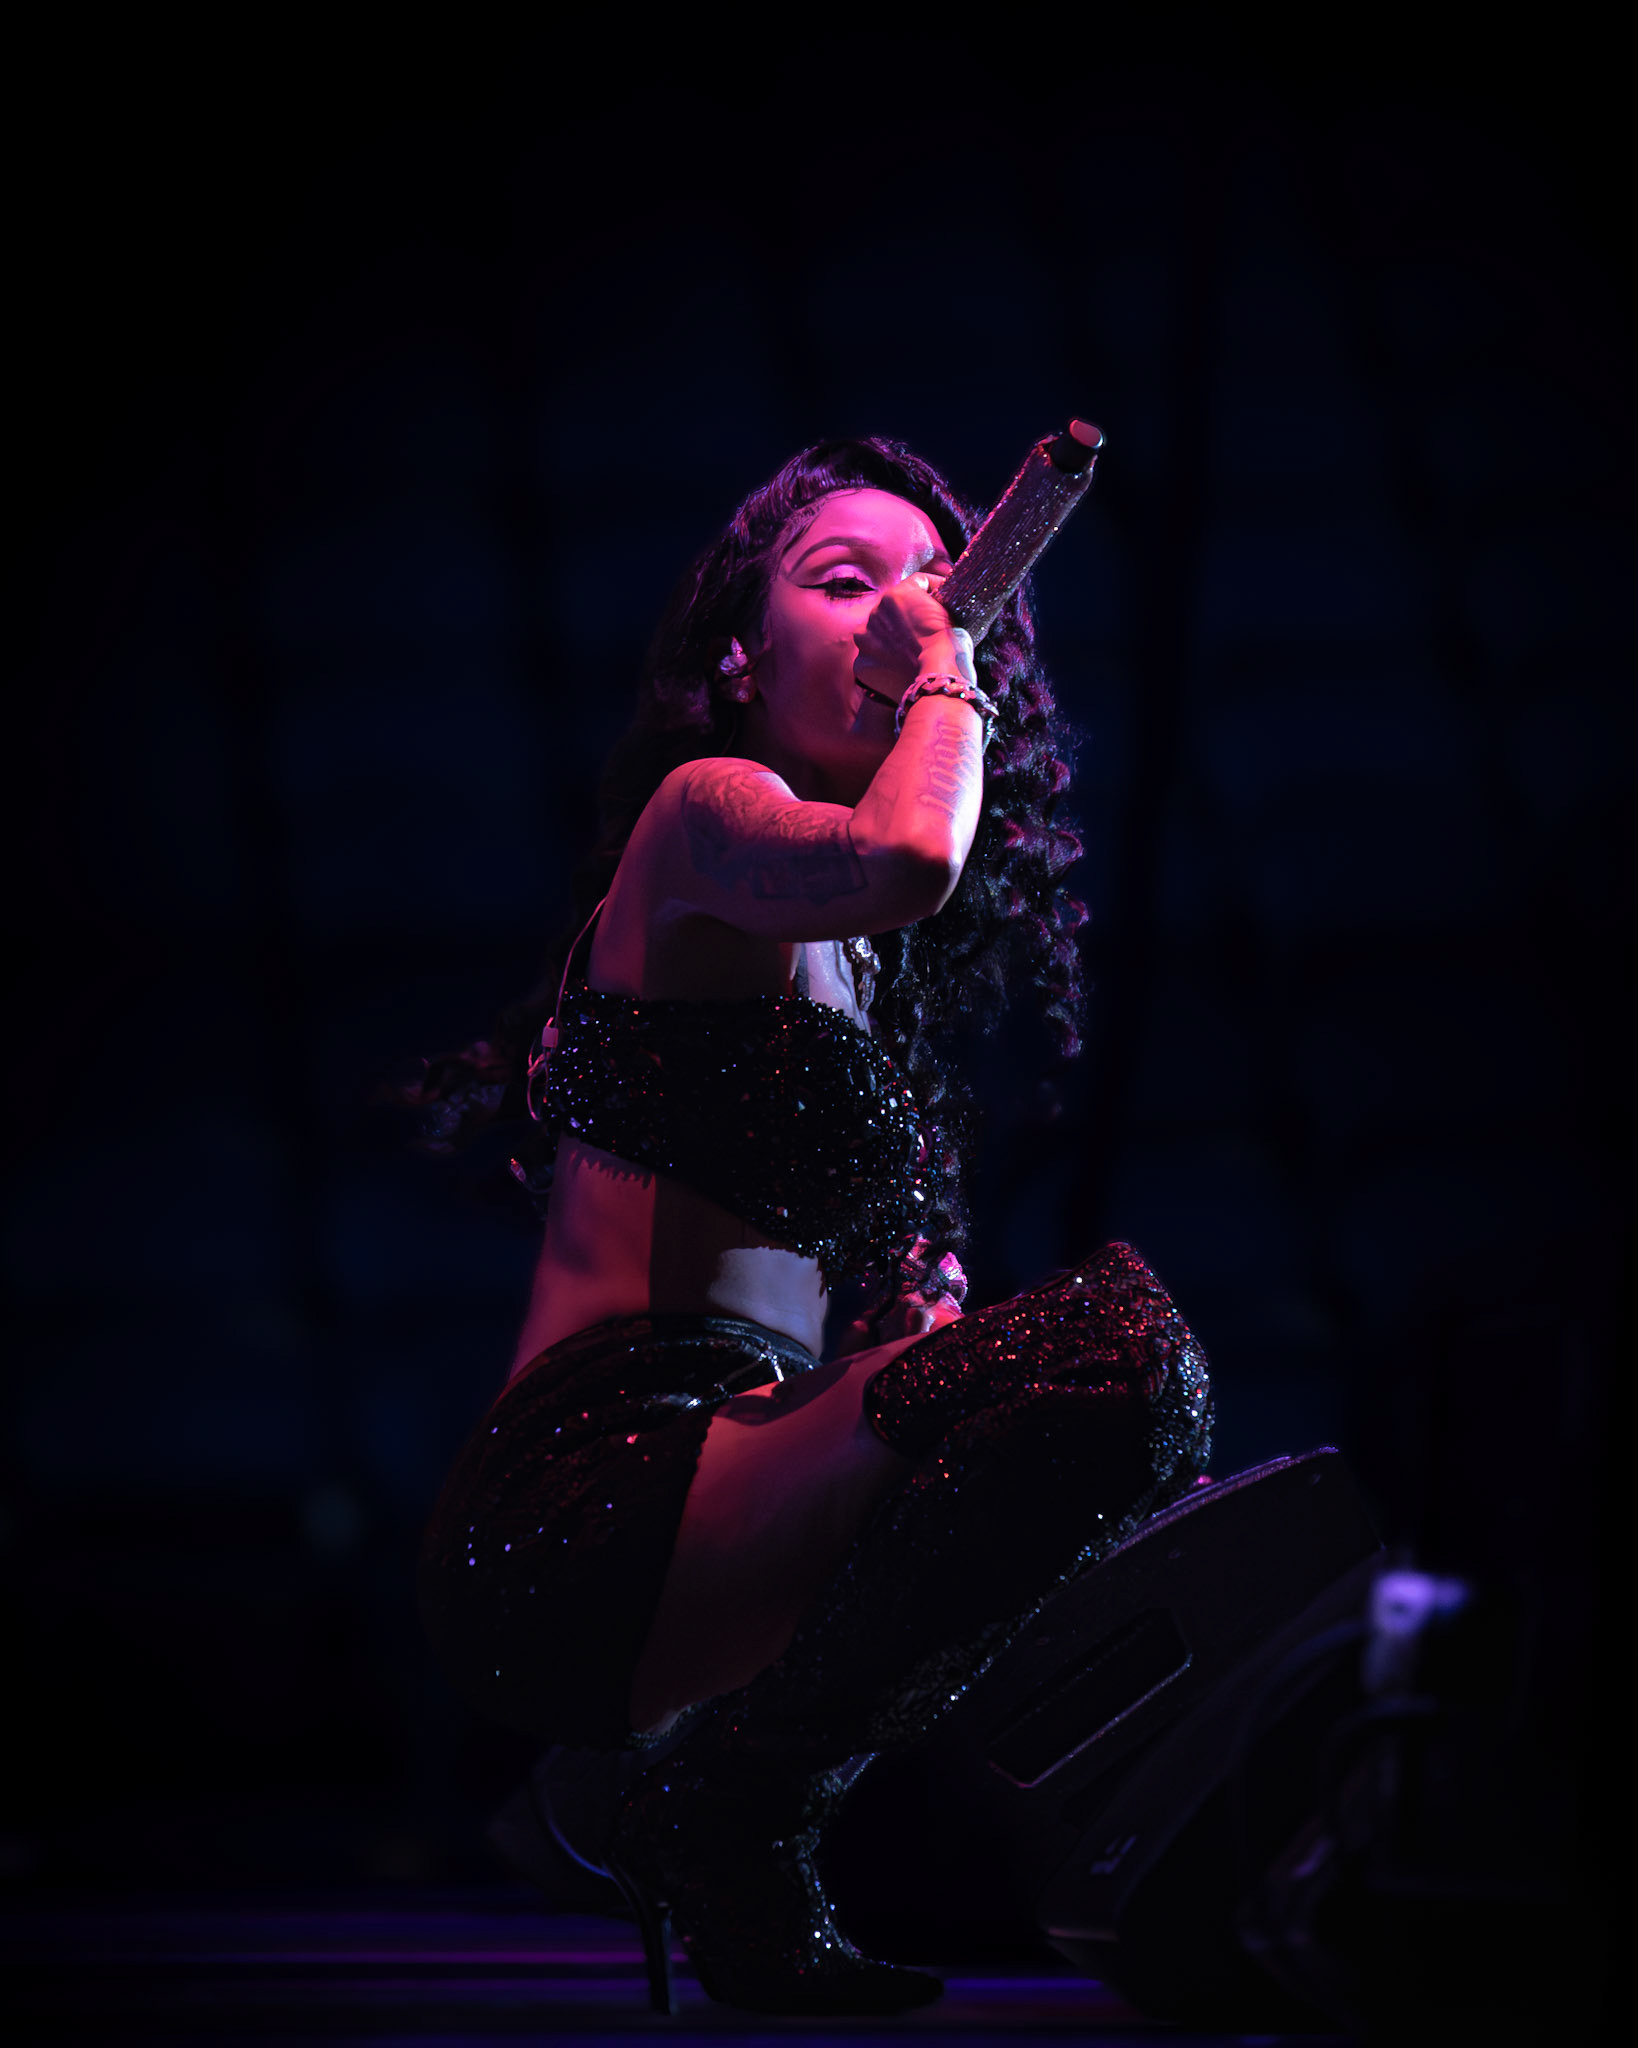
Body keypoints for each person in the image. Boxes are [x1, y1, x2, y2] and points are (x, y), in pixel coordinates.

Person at [415, 437, 1213, 2014]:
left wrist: (909, 1344)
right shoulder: (708, 813)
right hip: (591, 1496)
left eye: (928, 583)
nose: (898, 610)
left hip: (735, 1469)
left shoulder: (848, 968)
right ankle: (730, 1810)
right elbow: (910, 855)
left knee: (1095, 1404)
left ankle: (695, 1792)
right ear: (738, 652)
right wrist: (947, 669)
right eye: (844, 582)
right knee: (1119, 1348)